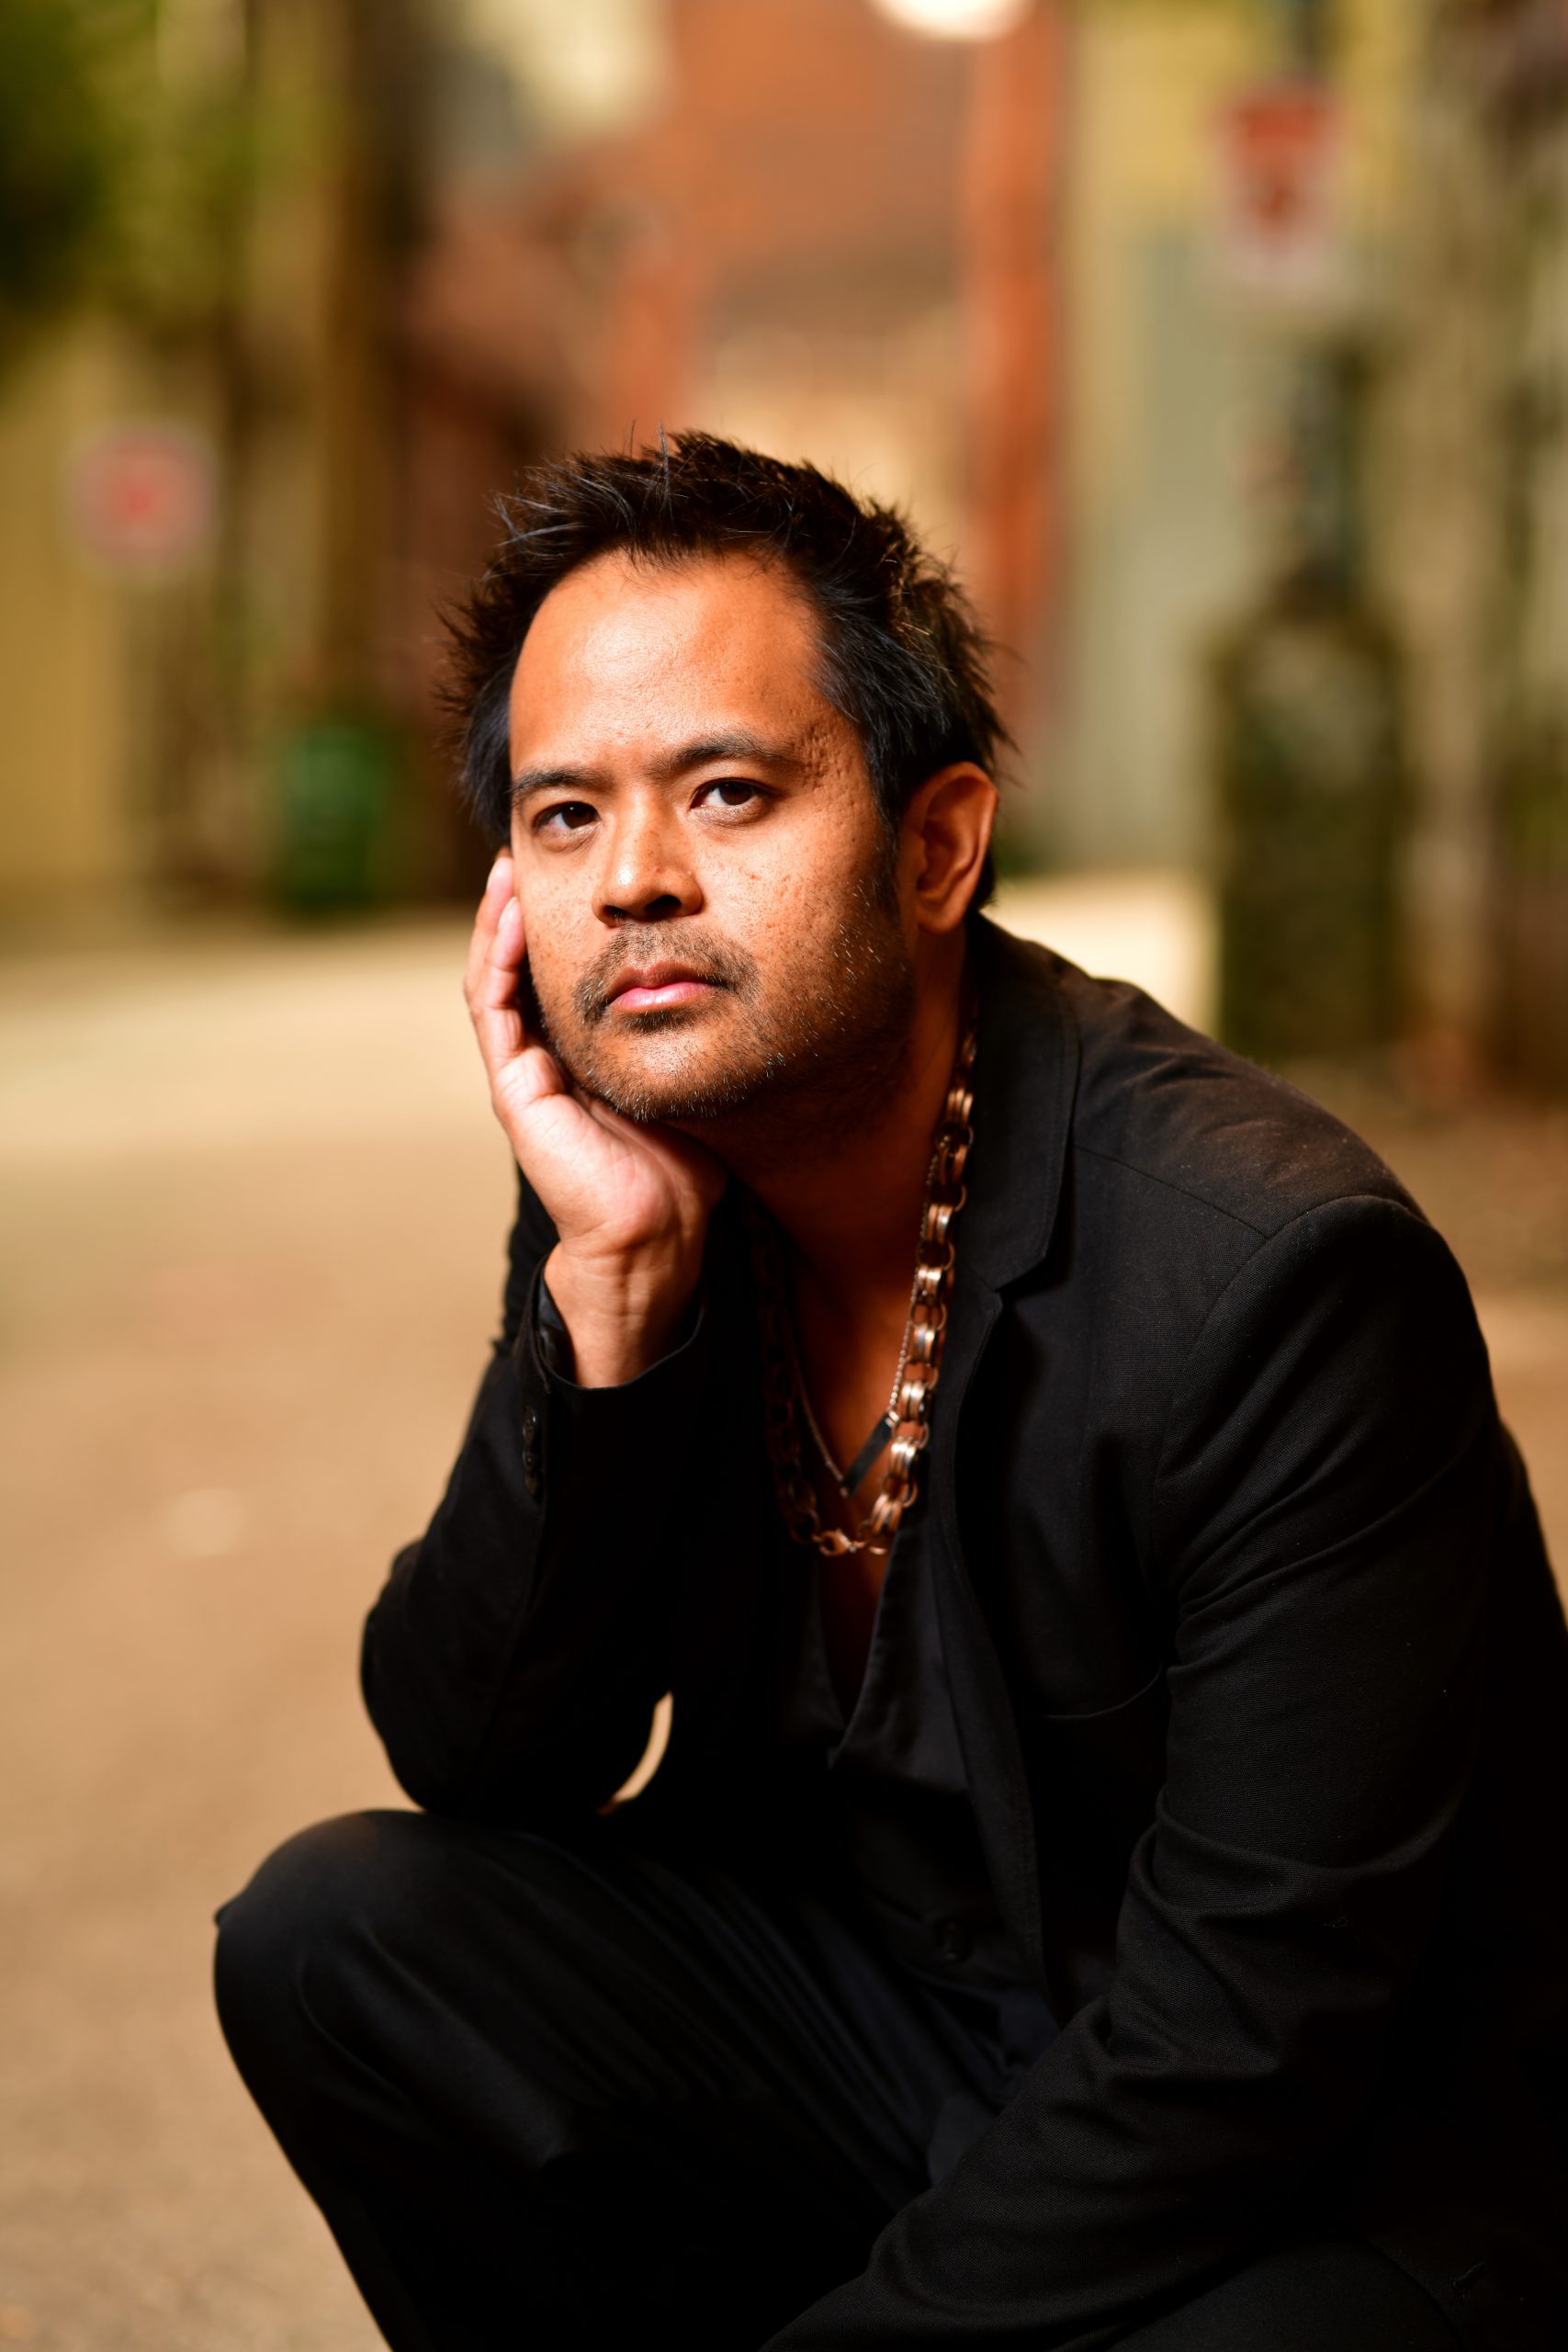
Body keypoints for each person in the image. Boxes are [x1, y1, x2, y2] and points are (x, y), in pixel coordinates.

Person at [214, 435, 1568, 2350]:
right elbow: (478, 1751)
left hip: (1312, 2162)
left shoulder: (1273, 1274)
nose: (636, 884)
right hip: (897, 2041)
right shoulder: (653, 1181)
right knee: (335, 1936)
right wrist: (606, 1287)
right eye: (563, 817)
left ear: (934, 844)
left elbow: (1252, 2034)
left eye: (728, 792)